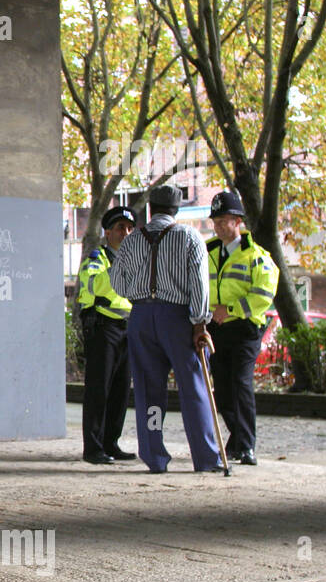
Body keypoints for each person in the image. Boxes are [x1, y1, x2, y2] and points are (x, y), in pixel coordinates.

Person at [109, 184, 223, 473]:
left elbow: (118, 283)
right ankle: (206, 457)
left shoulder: (132, 241)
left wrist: (140, 296)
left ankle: (154, 455)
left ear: (151, 208)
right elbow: (199, 283)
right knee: (194, 388)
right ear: (176, 209)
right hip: (179, 320)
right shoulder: (190, 237)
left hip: (141, 318)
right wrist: (199, 322)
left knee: (149, 392)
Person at [206, 190, 279, 465]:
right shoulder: (208, 251)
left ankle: (246, 446)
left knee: (240, 384)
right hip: (215, 328)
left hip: (244, 329)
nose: (219, 226)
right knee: (223, 389)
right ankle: (237, 440)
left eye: (224, 220)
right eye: (215, 221)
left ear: (238, 221)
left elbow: (263, 295)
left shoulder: (257, 256)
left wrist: (231, 310)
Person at [77, 205, 137, 464]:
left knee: (121, 390)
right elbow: (97, 285)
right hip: (103, 327)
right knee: (98, 390)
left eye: (129, 228)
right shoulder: (96, 257)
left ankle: (111, 443)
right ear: (108, 233)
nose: (126, 233)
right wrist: (120, 269)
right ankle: (93, 448)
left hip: (128, 329)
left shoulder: (135, 260)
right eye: (120, 228)